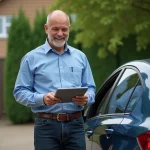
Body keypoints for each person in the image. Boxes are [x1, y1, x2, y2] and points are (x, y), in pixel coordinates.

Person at [13, 10, 96, 150]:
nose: (60, 33)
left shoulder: (80, 57)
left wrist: (87, 98)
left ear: (69, 29)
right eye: (55, 29)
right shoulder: (31, 58)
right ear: (46, 29)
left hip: (76, 125)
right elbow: (19, 92)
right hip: (46, 126)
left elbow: (91, 87)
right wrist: (42, 99)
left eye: (64, 29)